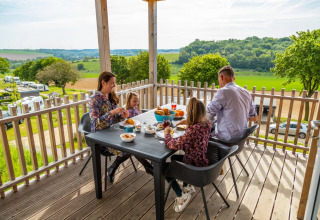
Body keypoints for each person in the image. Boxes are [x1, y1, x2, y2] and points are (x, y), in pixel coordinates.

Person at [89, 71, 153, 183]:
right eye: (112, 83)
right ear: (103, 82)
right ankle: (148, 167)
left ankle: (113, 167)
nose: (114, 85)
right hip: (101, 137)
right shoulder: (94, 99)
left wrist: (121, 116)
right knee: (130, 146)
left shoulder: (112, 96)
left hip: (115, 132)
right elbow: (95, 123)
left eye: (114, 83)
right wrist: (113, 112)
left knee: (133, 142)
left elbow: (116, 118)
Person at [164, 97, 212, 212]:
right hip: (202, 161)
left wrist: (167, 134)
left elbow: (174, 145)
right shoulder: (207, 124)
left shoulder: (193, 130)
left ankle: (181, 194)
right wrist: (187, 122)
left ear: (190, 113)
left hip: (193, 167)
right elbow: (197, 125)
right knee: (174, 157)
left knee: (163, 168)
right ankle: (187, 187)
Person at [207, 65, 258, 141]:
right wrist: (239, 117)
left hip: (226, 140)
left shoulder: (223, 91)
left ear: (221, 77)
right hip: (240, 139)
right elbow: (254, 118)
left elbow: (207, 114)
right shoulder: (246, 93)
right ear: (233, 79)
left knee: (200, 137)